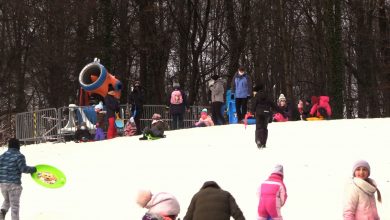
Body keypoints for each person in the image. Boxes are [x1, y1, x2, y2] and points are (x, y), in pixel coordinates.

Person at [0, 138, 37, 220]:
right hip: (14, 185)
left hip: (2, 184)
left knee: (7, 200)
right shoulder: (19, 156)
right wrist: (34, 169)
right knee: (14, 206)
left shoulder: (2, 156)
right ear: (18, 146)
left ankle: (2, 212)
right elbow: (23, 169)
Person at [251, 84, 281, 148]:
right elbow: (273, 104)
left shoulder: (256, 96)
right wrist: (280, 111)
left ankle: (258, 140)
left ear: (256, 91)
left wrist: (252, 112)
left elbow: (254, 104)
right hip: (266, 114)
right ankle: (264, 143)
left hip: (259, 113)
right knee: (264, 128)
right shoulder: (267, 95)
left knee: (259, 127)